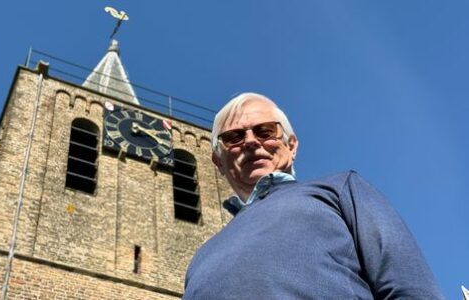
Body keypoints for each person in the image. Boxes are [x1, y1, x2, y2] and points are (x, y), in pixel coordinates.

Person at [183, 93, 443, 299]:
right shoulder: (200, 257)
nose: (250, 142)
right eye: (234, 137)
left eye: (265, 131)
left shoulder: (339, 189)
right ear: (218, 161)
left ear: (291, 146)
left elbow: (410, 287)